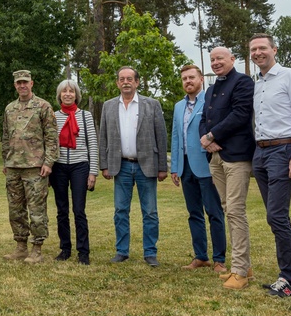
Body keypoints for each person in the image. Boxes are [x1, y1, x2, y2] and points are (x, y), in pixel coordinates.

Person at [249, 33, 291, 298]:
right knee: (278, 218)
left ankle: (287, 279)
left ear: (274, 49)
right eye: (253, 50)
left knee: (276, 216)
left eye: (262, 48)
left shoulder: (290, 76)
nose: (258, 53)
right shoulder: (257, 83)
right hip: (261, 152)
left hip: (284, 150)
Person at [198, 47, 256, 290]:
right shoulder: (211, 89)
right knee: (226, 208)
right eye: (212, 59)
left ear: (232, 59)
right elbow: (204, 118)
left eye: (220, 58)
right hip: (216, 158)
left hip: (237, 156)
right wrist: (206, 138)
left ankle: (240, 272)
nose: (215, 62)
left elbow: (241, 114)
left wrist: (211, 135)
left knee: (234, 210)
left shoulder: (243, 82)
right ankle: (244, 266)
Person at [99, 66, 168, 266]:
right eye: (122, 79)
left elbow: (161, 137)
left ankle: (150, 252)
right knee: (120, 210)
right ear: (117, 83)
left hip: (146, 166)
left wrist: (162, 166)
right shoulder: (109, 106)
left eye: (130, 78)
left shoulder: (152, 104)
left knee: (150, 212)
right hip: (120, 166)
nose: (126, 82)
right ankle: (122, 251)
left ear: (137, 82)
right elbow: (103, 136)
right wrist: (104, 164)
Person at [170, 64, 225, 273]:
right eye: (184, 78)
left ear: (201, 79)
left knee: (214, 213)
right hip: (185, 168)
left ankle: (219, 259)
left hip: (207, 166)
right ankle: (201, 256)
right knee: (194, 213)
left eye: (191, 77)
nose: (187, 82)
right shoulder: (177, 107)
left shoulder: (210, 102)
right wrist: (175, 167)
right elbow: (176, 137)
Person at [1, 70, 58, 265]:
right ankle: (20, 246)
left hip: (35, 166)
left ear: (31, 83)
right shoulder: (10, 108)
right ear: (15, 85)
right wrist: (6, 161)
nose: (22, 86)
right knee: (15, 210)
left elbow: (52, 138)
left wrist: (48, 162)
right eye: (19, 83)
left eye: (25, 82)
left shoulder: (43, 106)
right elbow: (6, 138)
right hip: (14, 166)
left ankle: (37, 248)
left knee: (36, 210)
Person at [51, 79, 97, 265]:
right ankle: (65, 248)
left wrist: (93, 172)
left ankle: (83, 252)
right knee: (62, 210)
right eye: (64, 91)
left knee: (79, 210)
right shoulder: (53, 116)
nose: (68, 94)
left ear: (77, 94)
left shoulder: (85, 116)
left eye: (71, 91)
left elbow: (92, 144)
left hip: (80, 166)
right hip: (59, 167)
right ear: (59, 95)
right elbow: (49, 143)